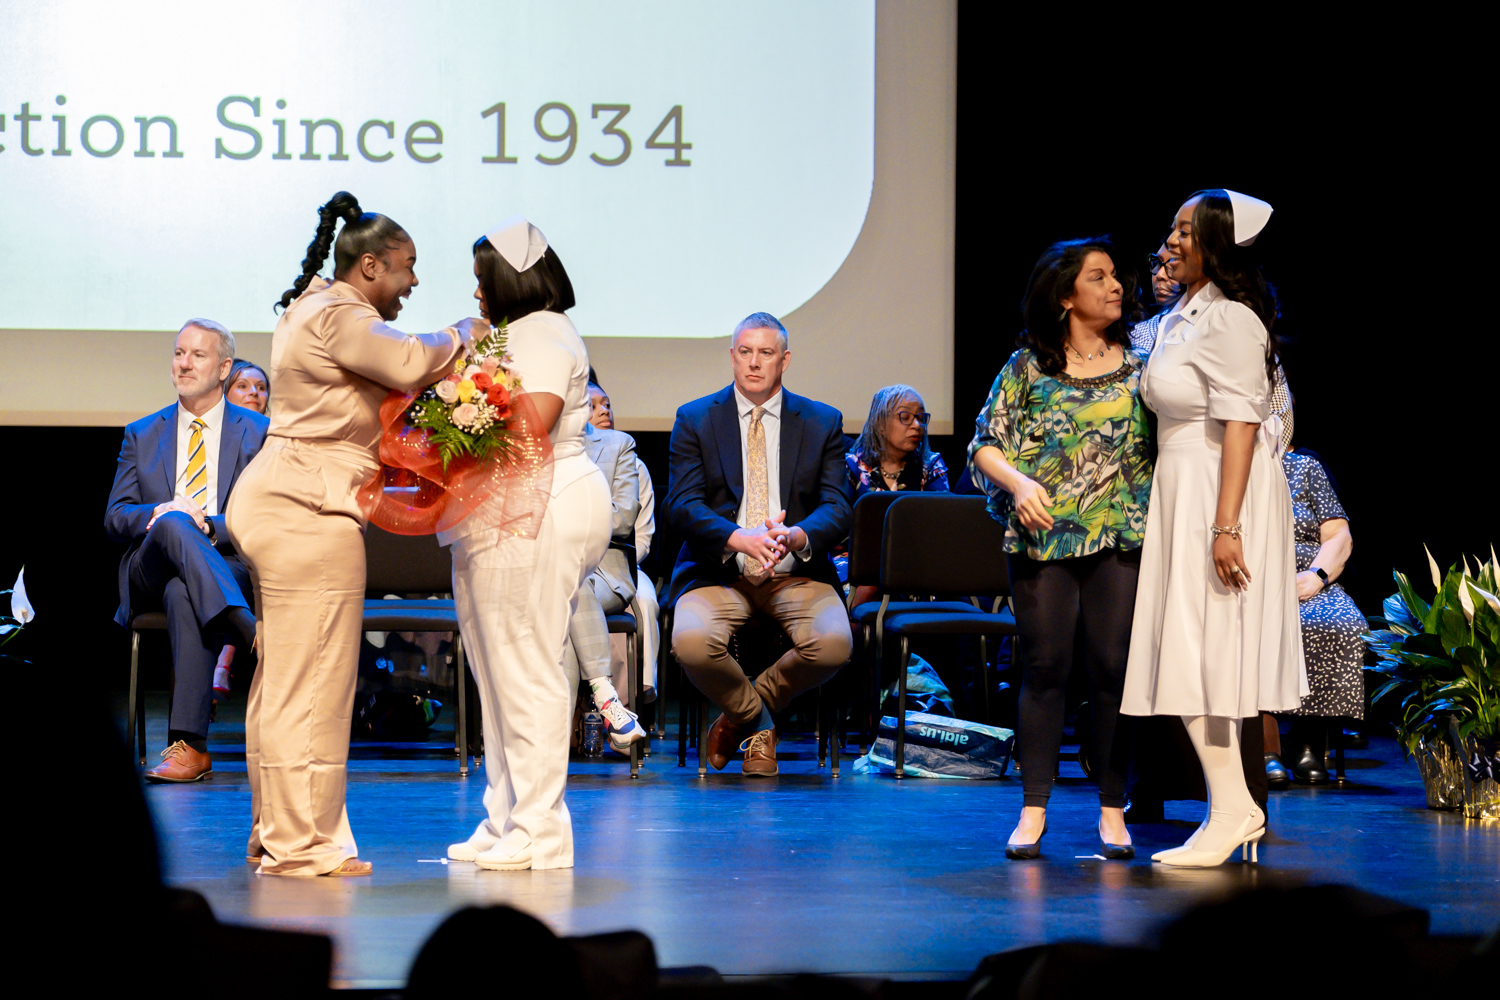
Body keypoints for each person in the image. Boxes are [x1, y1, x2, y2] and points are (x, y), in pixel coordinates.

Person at [226, 191, 477, 876]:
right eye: (407, 266)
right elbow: (408, 361)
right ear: (370, 265)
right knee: (311, 682)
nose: (414, 281)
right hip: (305, 505)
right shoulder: (339, 313)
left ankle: (278, 833)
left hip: (292, 499)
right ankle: (300, 845)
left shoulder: (318, 307)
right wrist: (463, 334)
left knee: (288, 677)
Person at [1122, 189, 1306, 867]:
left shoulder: (1231, 319)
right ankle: (1230, 806)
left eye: (1185, 232)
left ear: (1217, 245)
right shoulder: (1181, 315)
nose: (1170, 242)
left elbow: (1241, 425)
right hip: (1183, 486)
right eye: (1171, 229)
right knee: (1188, 654)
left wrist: (1226, 526)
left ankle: (1233, 809)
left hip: (1217, 491)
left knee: (1211, 652)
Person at [969, 239, 1151, 860]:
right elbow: (984, 443)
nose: (1115, 286)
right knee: (1045, 668)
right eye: (1098, 277)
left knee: (1112, 668)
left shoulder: (1142, 366)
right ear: (1066, 296)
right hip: (1043, 538)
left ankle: (1112, 808)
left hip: (1119, 535)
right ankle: (1033, 808)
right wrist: (1019, 484)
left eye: (1115, 276)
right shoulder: (1028, 366)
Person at [442, 216, 610, 871]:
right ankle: (505, 817)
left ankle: (541, 829)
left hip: (544, 500)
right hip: (512, 504)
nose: (476, 291)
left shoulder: (540, 331)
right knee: (497, 669)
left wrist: (450, 423)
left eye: (482, 278)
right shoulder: (518, 333)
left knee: (526, 663)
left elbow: (530, 423)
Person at [665, 312, 854, 777]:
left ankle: (734, 721)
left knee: (834, 644)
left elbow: (838, 506)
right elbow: (681, 505)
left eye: (765, 353)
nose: (754, 363)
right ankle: (759, 724)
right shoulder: (695, 418)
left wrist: (797, 535)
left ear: (784, 361)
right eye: (745, 352)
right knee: (690, 643)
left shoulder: (822, 421)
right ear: (732, 356)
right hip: (717, 571)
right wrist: (737, 538)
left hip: (796, 572)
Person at [105, 319, 268, 782]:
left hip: (225, 564)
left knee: (184, 592)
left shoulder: (259, 432)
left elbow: (269, 514)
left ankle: (190, 748)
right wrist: (161, 512)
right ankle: (247, 628)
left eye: (197, 355)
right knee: (174, 521)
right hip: (150, 565)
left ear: (224, 368)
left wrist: (209, 527)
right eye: (179, 353)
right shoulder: (142, 433)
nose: (184, 363)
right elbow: (115, 517)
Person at [1135, 246, 1296, 454]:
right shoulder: (1140, 334)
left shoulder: (1232, 323)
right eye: (1157, 264)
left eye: (1172, 264)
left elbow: (1281, 415)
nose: (1160, 275)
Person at [1264, 447, 1361, 785]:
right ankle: (1265, 746)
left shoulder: (1305, 467)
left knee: (1339, 624)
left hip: (1308, 579)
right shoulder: (1228, 464)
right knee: (1251, 628)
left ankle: (1307, 742)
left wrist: (1317, 576)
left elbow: (1339, 534)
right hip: (1252, 581)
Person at [569, 385, 648, 750]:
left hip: (604, 572)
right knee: (562, 610)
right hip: (545, 574)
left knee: (569, 583)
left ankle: (554, 742)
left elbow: (622, 518)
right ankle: (608, 704)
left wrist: (560, 523)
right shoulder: (533, 447)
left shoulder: (618, 445)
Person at [844, 384, 951, 607]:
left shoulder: (931, 466)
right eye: (906, 417)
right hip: (856, 564)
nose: (917, 425)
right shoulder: (852, 466)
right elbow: (840, 529)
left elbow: (940, 529)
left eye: (921, 418)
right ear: (881, 424)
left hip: (914, 563)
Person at [591, 381, 664, 707]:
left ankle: (640, 691)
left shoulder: (633, 465)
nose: (604, 411)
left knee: (645, 600)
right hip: (578, 566)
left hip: (624, 564)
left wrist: (619, 562)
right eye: (593, 406)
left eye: (607, 404)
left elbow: (643, 536)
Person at [212, 358, 272, 698]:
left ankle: (224, 659)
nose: (254, 393)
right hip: (211, 541)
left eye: (261, 388)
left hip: (258, 543)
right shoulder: (209, 440)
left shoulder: (276, 440)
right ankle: (221, 661)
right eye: (243, 386)